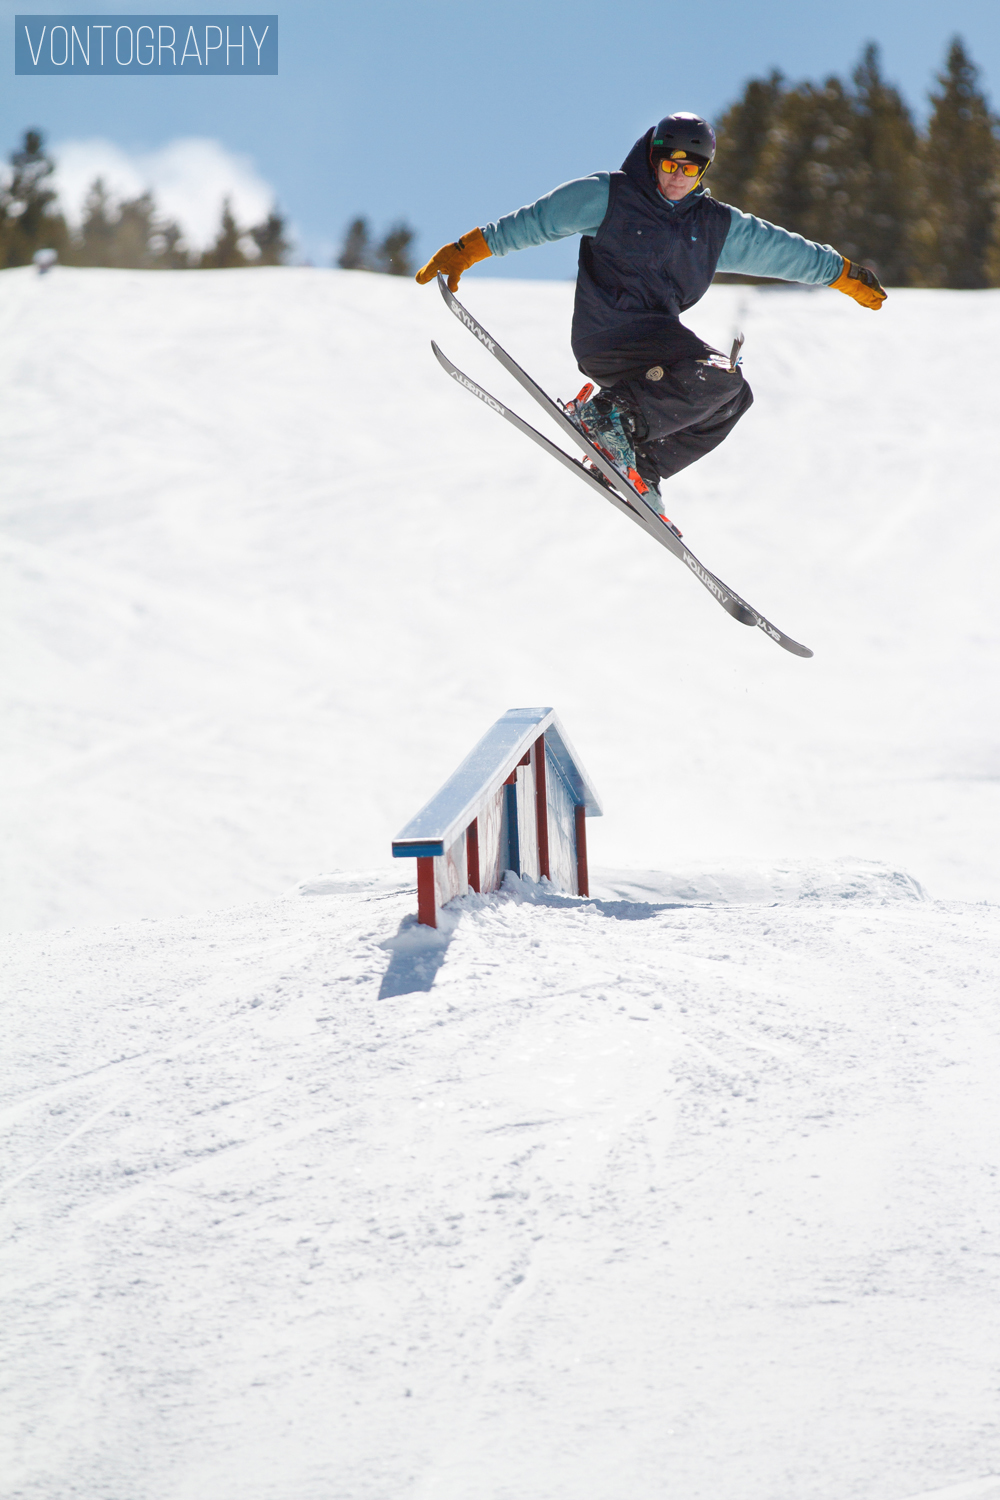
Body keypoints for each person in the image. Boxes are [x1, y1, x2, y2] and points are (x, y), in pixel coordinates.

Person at [416, 112, 885, 514]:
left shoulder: (712, 226)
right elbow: (536, 222)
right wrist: (468, 250)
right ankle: (604, 416)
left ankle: (640, 466)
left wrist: (840, 273)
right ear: (652, 157)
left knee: (733, 394)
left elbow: (779, 250)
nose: (678, 176)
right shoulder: (608, 197)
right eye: (669, 163)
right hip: (608, 335)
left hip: (659, 343)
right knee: (717, 379)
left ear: (704, 170)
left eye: (692, 168)